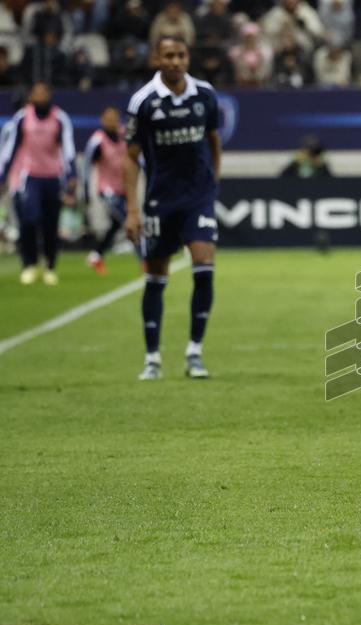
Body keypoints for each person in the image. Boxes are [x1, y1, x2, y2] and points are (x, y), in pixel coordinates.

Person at [124, 36, 222, 380]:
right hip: (159, 201)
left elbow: (213, 140)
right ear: (156, 59)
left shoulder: (205, 95)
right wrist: (133, 211)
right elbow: (131, 158)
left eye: (181, 55)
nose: (176, 61)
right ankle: (152, 357)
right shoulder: (143, 102)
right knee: (156, 276)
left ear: (187, 57)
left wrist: (213, 183)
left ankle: (195, 352)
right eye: (169, 56)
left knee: (204, 262)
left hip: (197, 197)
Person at [0, 82, 76, 285]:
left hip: (53, 176)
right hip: (30, 177)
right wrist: (2, 176)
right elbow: (10, 150)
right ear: (31, 96)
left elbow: (68, 149)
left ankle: (50, 265)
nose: (41, 96)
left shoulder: (60, 118)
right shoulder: (23, 118)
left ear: (49, 95)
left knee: (51, 225)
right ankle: (29, 264)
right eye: (37, 93)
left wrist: (71, 178)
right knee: (30, 219)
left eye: (44, 92)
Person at [83, 105, 127, 275]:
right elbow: (87, 165)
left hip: (124, 187)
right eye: (108, 118)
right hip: (106, 188)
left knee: (116, 224)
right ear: (102, 120)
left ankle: (96, 255)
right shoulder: (98, 140)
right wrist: (86, 192)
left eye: (115, 117)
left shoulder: (126, 135)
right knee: (126, 218)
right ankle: (146, 260)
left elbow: (137, 156)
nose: (112, 121)